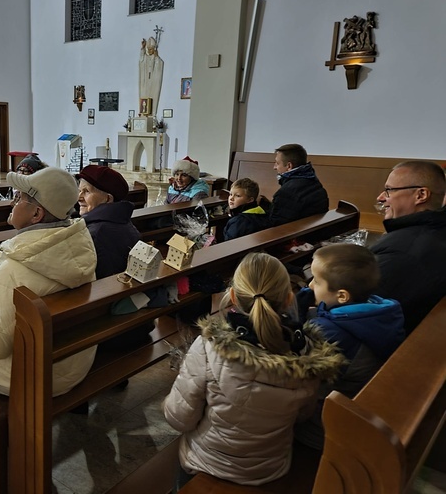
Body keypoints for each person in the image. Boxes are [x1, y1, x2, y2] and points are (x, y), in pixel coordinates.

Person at [163, 252, 343, 489]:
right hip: (271, 467)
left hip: (208, 463)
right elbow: (303, 414)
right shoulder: (307, 355)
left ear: (234, 296)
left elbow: (179, 417)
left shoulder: (209, 347)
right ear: (289, 298)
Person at [0, 167, 98, 397]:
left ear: (36, 214)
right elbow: (39, 273)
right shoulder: (74, 248)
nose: (12, 203)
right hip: (71, 364)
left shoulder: (11, 273)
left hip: (35, 375)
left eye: (18, 197)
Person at [294, 244, 405, 450]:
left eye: (317, 281)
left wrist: (298, 315)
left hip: (324, 427)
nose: (310, 286)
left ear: (342, 296)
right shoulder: (379, 311)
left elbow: (297, 365)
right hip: (361, 403)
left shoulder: (326, 331)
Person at [371, 160, 446, 334]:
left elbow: (356, 306)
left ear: (421, 195)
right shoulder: (434, 229)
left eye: (389, 190)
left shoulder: (402, 252)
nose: (381, 197)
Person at [76, 165, 139, 279]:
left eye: (87, 191)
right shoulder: (121, 220)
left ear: (108, 199)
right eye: (79, 190)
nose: (79, 197)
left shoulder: (95, 232)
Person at [269, 144, 329, 226]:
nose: (274, 167)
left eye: (277, 163)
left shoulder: (285, 193)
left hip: (296, 236)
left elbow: (276, 226)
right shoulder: (314, 182)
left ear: (289, 166)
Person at [139, 36, 164, 112]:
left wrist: (156, 57)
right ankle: (143, 111)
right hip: (145, 81)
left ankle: (153, 112)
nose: (149, 51)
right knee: (143, 94)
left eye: (151, 49)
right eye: (148, 49)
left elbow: (159, 65)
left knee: (154, 94)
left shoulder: (157, 59)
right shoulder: (145, 58)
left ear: (154, 49)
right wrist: (142, 48)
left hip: (153, 82)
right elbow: (141, 60)